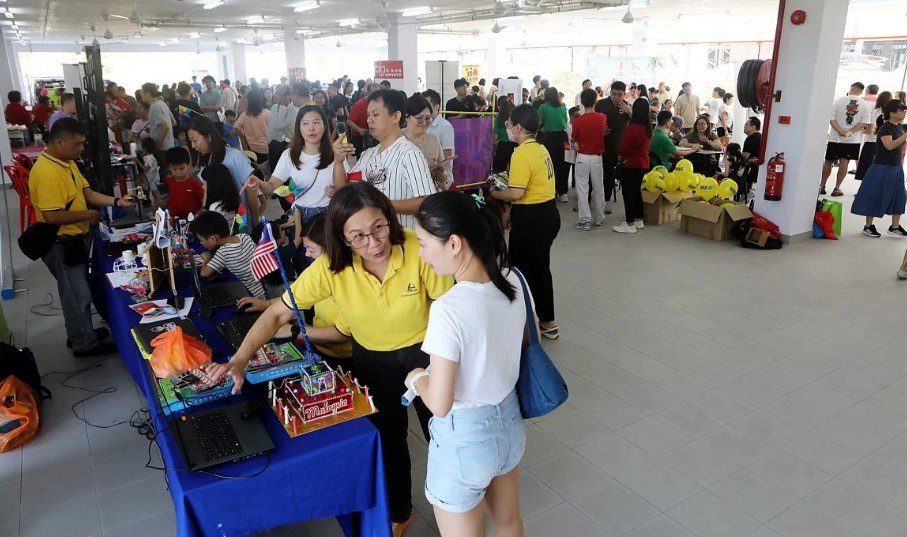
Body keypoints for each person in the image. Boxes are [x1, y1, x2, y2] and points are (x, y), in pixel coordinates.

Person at [209, 182, 453, 536]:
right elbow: (277, 313)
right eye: (358, 236)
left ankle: (456, 509)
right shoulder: (331, 266)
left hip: (429, 354)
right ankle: (400, 511)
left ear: (389, 218)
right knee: (390, 440)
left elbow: (451, 310)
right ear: (341, 237)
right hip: (373, 360)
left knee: (445, 433)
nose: (374, 243)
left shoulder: (418, 248)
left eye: (379, 227)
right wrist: (240, 358)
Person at [405, 191, 526, 537]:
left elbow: (440, 404)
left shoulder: (449, 309)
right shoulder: (513, 280)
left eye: (424, 243)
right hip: (509, 423)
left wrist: (417, 379)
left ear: (454, 243)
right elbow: (519, 343)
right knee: (508, 523)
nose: (421, 254)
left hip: (466, 440)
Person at [29, 118, 134, 356]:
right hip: (62, 243)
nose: (82, 148)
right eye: (77, 144)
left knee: (78, 290)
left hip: (76, 238)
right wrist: (88, 214)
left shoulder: (67, 162)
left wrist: (117, 201)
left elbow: (87, 193)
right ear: (59, 142)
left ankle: (81, 332)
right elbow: (52, 216)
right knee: (76, 295)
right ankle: (83, 344)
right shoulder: (46, 172)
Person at [491, 104, 560, 339]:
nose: (507, 128)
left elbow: (515, 193)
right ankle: (546, 320)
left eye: (509, 124)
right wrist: (512, 213)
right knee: (539, 269)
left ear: (519, 127)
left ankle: (531, 325)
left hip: (532, 219)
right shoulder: (540, 148)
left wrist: (495, 193)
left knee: (522, 272)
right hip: (547, 213)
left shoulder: (521, 153)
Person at [334, 89, 438, 229]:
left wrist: (381, 204)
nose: (369, 120)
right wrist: (338, 162)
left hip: (401, 239)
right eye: (368, 115)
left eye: (375, 114)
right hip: (374, 239)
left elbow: (426, 202)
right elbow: (343, 193)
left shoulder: (409, 154)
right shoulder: (367, 156)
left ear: (395, 116)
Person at [246, 103, 340, 251]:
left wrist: (337, 191)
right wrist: (259, 183)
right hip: (299, 217)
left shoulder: (336, 153)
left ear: (324, 126)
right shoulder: (289, 155)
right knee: (301, 260)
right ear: (299, 128)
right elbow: (271, 187)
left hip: (327, 216)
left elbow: (347, 187)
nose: (311, 128)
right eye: (305, 123)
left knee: (328, 260)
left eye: (316, 122)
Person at [187, 116, 261, 224]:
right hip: (219, 224)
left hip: (240, 222)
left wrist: (255, 222)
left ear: (208, 137)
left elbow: (251, 190)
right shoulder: (207, 161)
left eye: (194, 140)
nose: (193, 146)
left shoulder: (235, 156)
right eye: (191, 142)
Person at [851, 100, 907, 238]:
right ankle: (868, 226)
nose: (904, 113)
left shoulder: (899, 127)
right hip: (882, 167)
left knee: (899, 196)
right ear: (892, 113)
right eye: (901, 110)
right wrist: (905, 135)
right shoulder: (886, 128)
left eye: (905, 111)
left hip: (896, 167)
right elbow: (889, 146)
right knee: (875, 194)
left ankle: (895, 226)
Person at [190, 210, 267, 298]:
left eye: (201, 240)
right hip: (262, 289)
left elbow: (204, 273)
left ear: (212, 239)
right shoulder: (245, 237)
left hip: (249, 295)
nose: (201, 244)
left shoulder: (223, 252)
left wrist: (207, 257)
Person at [821, 82, 871, 196]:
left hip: (835, 137)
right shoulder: (865, 104)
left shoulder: (839, 101)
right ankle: (837, 188)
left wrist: (839, 131)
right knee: (845, 161)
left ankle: (822, 186)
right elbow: (864, 123)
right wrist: (849, 132)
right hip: (852, 140)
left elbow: (831, 118)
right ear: (861, 91)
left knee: (828, 161)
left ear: (851, 88)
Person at [571, 88, 607, 230]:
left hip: (582, 157)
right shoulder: (602, 118)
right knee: (599, 188)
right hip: (597, 157)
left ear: (581, 101)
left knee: (582, 190)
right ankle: (599, 218)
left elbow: (574, 139)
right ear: (595, 101)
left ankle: (584, 220)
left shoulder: (578, 121)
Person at [614, 98, 652, 234]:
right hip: (643, 163)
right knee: (636, 192)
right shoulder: (648, 127)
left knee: (628, 194)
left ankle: (630, 224)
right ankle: (638, 220)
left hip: (631, 164)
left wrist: (619, 153)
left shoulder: (632, 127)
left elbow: (623, 148)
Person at [594, 81, 632, 215]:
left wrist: (630, 112)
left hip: (616, 147)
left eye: (619, 94)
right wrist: (600, 130)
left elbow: (636, 124)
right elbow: (593, 122)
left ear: (624, 94)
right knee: (596, 173)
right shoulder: (601, 104)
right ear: (610, 92)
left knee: (609, 174)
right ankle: (590, 199)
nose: (616, 97)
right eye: (614, 94)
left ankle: (606, 200)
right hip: (599, 145)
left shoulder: (627, 106)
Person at [403, 94, 448, 191]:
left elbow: (443, 177)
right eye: (419, 118)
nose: (424, 122)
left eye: (428, 118)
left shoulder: (433, 140)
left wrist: (440, 172)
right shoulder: (397, 139)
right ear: (407, 117)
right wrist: (419, 164)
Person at [538, 87, 570, 202]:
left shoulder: (543, 107)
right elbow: (565, 121)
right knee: (563, 165)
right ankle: (563, 193)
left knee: (549, 165)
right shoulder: (563, 107)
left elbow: (539, 123)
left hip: (549, 138)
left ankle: (551, 191)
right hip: (563, 137)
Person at [856, 91, 892, 181]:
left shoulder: (876, 112)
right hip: (886, 143)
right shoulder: (891, 113)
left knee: (867, 169)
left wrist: (859, 131)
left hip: (871, 142)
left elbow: (870, 129)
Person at [422, 89, 456, 183]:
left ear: (436, 106)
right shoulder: (423, 124)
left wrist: (431, 164)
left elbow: (448, 155)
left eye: (427, 105)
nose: (424, 108)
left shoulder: (444, 126)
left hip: (441, 179)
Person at [162, 147, 203, 219]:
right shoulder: (168, 181)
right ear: (169, 168)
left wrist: (198, 215)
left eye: (182, 168)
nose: (178, 172)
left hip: (192, 221)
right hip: (174, 220)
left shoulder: (196, 184)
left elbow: (204, 203)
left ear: (188, 165)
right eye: (174, 169)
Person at [232, 89, 270, 165]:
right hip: (266, 148)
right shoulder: (267, 113)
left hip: (251, 148)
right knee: (265, 168)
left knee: (254, 167)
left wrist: (243, 141)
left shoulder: (244, 115)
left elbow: (236, 127)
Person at [201, 163, 241, 231]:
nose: (203, 186)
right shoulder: (230, 202)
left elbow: (210, 231)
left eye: (204, 183)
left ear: (213, 184)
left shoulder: (215, 207)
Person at [266, 85, 295, 172]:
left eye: (278, 93)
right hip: (272, 144)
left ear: (287, 96)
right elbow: (271, 126)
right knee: (273, 170)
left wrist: (282, 106)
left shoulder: (292, 110)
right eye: (275, 92)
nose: (274, 95)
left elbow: (279, 125)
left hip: (284, 145)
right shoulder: (274, 107)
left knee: (283, 172)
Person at [492, 96, 517, 174]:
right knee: (515, 170)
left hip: (503, 146)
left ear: (500, 105)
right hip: (516, 145)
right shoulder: (516, 116)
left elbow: (495, 137)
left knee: (499, 172)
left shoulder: (499, 117)